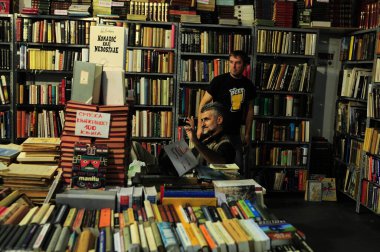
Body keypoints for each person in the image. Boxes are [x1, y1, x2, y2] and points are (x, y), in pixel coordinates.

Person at [196, 50, 255, 172]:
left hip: (234, 133)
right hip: (216, 132)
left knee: (236, 170)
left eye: (238, 63)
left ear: (244, 65)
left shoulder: (248, 85)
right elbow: (203, 103)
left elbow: (250, 110)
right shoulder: (219, 81)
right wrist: (200, 127)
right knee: (212, 168)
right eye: (231, 62)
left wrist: (248, 133)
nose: (233, 66)